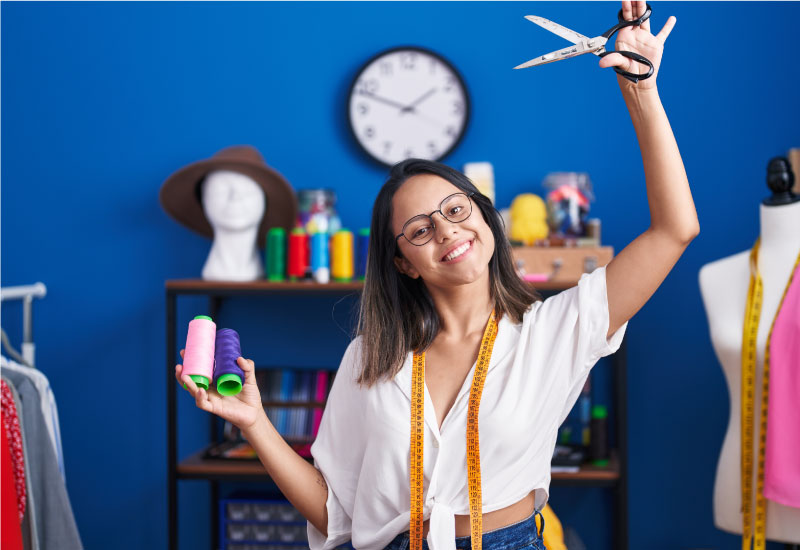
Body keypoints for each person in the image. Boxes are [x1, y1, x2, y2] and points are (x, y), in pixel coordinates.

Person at [176, 2, 697, 548]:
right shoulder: (370, 357)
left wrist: (641, 91)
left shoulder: (554, 331)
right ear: (403, 261)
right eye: (419, 230)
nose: (446, 231)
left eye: (456, 209)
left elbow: (674, 230)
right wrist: (256, 423)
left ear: (486, 217)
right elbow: (335, 516)